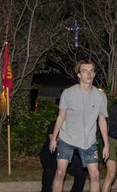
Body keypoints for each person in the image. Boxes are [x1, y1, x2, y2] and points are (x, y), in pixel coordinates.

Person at [49, 59, 109, 192]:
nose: (89, 74)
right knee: (60, 173)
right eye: (85, 71)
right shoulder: (68, 93)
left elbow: (102, 121)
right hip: (67, 137)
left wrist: (106, 145)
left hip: (88, 140)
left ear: (94, 74)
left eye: (91, 71)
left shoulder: (100, 97)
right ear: (79, 75)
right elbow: (61, 116)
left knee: (95, 175)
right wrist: (54, 138)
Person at [40, 120, 87, 192]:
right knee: (50, 170)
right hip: (52, 153)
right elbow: (53, 139)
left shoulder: (74, 126)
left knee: (82, 170)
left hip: (69, 153)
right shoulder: (54, 124)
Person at [102, 104, 117, 192]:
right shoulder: (114, 108)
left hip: (112, 139)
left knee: (111, 174)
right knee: (111, 174)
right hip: (112, 141)